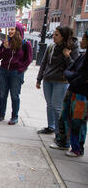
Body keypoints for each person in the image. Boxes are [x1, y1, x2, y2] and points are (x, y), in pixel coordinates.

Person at [36, 26, 79, 135]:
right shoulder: (51, 47)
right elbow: (44, 63)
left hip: (61, 81)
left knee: (57, 107)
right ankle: (51, 126)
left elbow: (75, 67)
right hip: (48, 79)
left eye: (56, 35)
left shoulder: (72, 48)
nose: (53, 37)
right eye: (54, 34)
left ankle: (59, 133)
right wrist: (39, 79)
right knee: (49, 105)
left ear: (63, 37)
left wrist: (67, 56)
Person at [50, 29, 87, 157]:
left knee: (78, 121)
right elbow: (70, 70)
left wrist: (72, 75)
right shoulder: (83, 56)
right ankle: (63, 141)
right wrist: (72, 74)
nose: (81, 41)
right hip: (72, 91)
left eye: (84, 39)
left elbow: (81, 77)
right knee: (64, 116)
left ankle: (77, 148)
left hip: (82, 95)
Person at [0, 22, 32, 125]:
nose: (10, 31)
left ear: (18, 31)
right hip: (3, 71)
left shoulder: (25, 43)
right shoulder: (6, 42)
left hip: (16, 73)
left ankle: (14, 116)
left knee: (14, 95)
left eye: (12, 29)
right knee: (2, 95)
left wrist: (20, 69)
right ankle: (1, 114)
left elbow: (28, 59)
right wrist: (5, 48)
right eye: (9, 29)